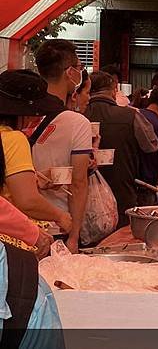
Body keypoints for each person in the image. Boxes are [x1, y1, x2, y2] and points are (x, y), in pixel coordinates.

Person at [32, 39, 93, 253]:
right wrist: (74, 236)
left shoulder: (19, 116)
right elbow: (79, 183)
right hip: (57, 226)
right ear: (70, 72)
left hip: (20, 225)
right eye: (79, 67)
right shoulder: (77, 123)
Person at [0, 70, 72, 236]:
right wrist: (60, 216)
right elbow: (27, 201)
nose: (36, 119)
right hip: (9, 235)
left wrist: (33, 180)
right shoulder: (14, 139)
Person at [85, 72, 158, 227]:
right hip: (123, 194)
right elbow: (151, 146)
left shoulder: (77, 115)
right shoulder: (130, 115)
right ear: (114, 90)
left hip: (81, 198)